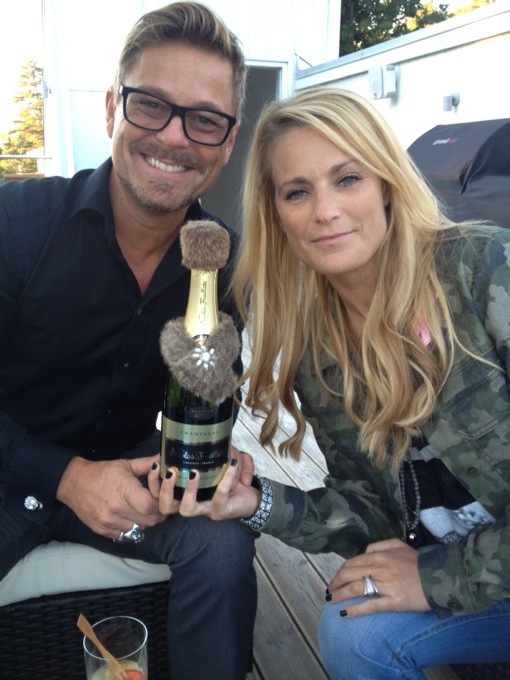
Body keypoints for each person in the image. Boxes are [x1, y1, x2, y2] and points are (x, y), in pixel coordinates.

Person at [168, 87, 510, 678]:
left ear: (387, 184)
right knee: (353, 630)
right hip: (478, 585)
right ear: (277, 215)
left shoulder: (483, 271)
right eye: (297, 191)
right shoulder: (316, 348)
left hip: (476, 570)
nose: (324, 211)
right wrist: (258, 501)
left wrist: (438, 577)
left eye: (347, 179)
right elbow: (375, 514)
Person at [0, 3, 256, 679]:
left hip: (132, 484)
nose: (174, 136)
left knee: (222, 549)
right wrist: (65, 476)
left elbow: (208, 397)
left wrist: (204, 463)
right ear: (114, 108)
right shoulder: (15, 224)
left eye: (204, 120)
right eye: (151, 105)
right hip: (7, 474)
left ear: (228, 142)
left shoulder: (227, 265)